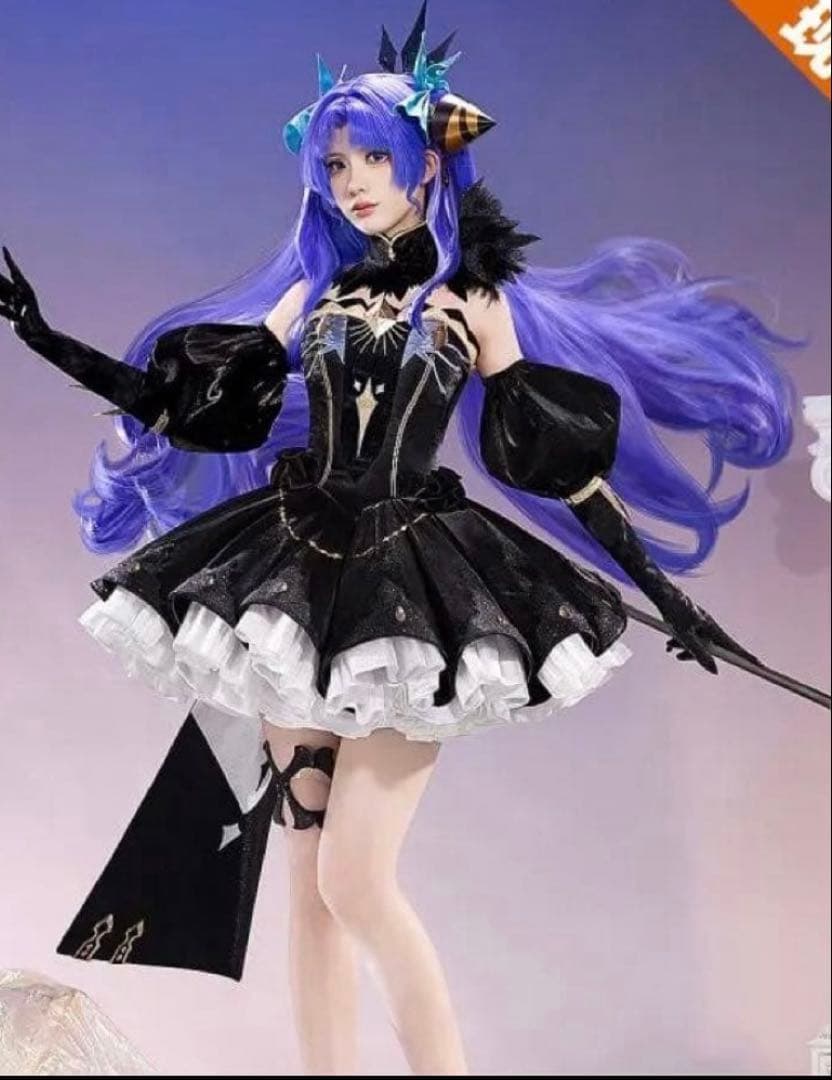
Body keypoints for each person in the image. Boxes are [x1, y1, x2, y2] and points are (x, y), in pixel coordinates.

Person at [0, 3, 795, 1074]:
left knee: (355, 881)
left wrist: (672, 596)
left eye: (374, 157)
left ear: (426, 163)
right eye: (336, 165)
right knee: (309, 883)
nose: (353, 181)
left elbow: (554, 467)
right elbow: (182, 408)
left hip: (414, 596)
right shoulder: (315, 294)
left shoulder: (474, 298)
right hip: (293, 577)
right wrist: (42, 335)